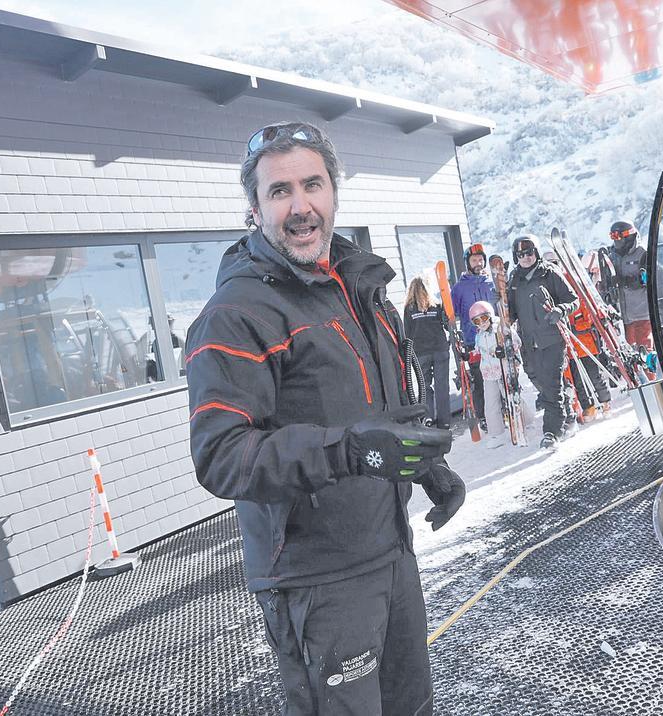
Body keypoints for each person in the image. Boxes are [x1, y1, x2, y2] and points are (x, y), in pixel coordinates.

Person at [185, 120, 464, 715]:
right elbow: (221, 453)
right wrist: (348, 452)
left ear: (334, 192)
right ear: (254, 209)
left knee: (411, 708)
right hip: (317, 581)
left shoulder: (356, 288)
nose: (300, 206)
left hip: (389, 549)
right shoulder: (237, 315)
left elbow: (376, 410)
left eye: (312, 185)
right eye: (279, 191)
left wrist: (422, 465)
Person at [506, 234, 579, 449]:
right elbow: (512, 311)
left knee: (552, 384)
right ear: (516, 256)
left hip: (552, 338)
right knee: (538, 379)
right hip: (529, 342)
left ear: (536, 253)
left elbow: (573, 299)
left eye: (529, 253)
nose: (526, 257)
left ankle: (551, 432)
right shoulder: (514, 280)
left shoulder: (549, 273)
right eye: (521, 254)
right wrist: (502, 311)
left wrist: (560, 310)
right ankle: (569, 416)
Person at [469, 301, 536, 448]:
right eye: (477, 321)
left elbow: (516, 343)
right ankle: (496, 434)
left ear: (490, 316)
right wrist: (467, 356)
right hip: (488, 373)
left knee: (511, 397)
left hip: (504, 369)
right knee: (491, 404)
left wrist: (505, 350)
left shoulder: (501, 328)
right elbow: (478, 351)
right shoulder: (479, 335)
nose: (481, 323)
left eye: (484, 318)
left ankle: (527, 419)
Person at [450, 243, 495, 431]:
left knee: (498, 375)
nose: (478, 263)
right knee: (480, 378)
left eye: (481, 260)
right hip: (473, 341)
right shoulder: (459, 288)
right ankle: (484, 416)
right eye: (474, 260)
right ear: (468, 263)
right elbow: (452, 312)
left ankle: (502, 410)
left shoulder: (490, 283)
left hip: (494, 338)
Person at [403, 278, 451, 429]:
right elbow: (447, 324)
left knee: (425, 387)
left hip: (420, 352)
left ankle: (428, 418)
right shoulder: (436, 305)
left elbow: (407, 333)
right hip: (440, 349)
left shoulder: (409, 309)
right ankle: (444, 421)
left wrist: (407, 354)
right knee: (442, 386)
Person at [601, 220, 653, 350]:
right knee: (628, 353)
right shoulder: (611, 255)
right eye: (612, 236)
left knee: (645, 351)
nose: (616, 240)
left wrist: (630, 281)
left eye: (618, 236)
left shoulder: (643, 254)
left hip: (641, 313)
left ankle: (650, 371)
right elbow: (607, 280)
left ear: (628, 235)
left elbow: (650, 280)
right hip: (622, 316)